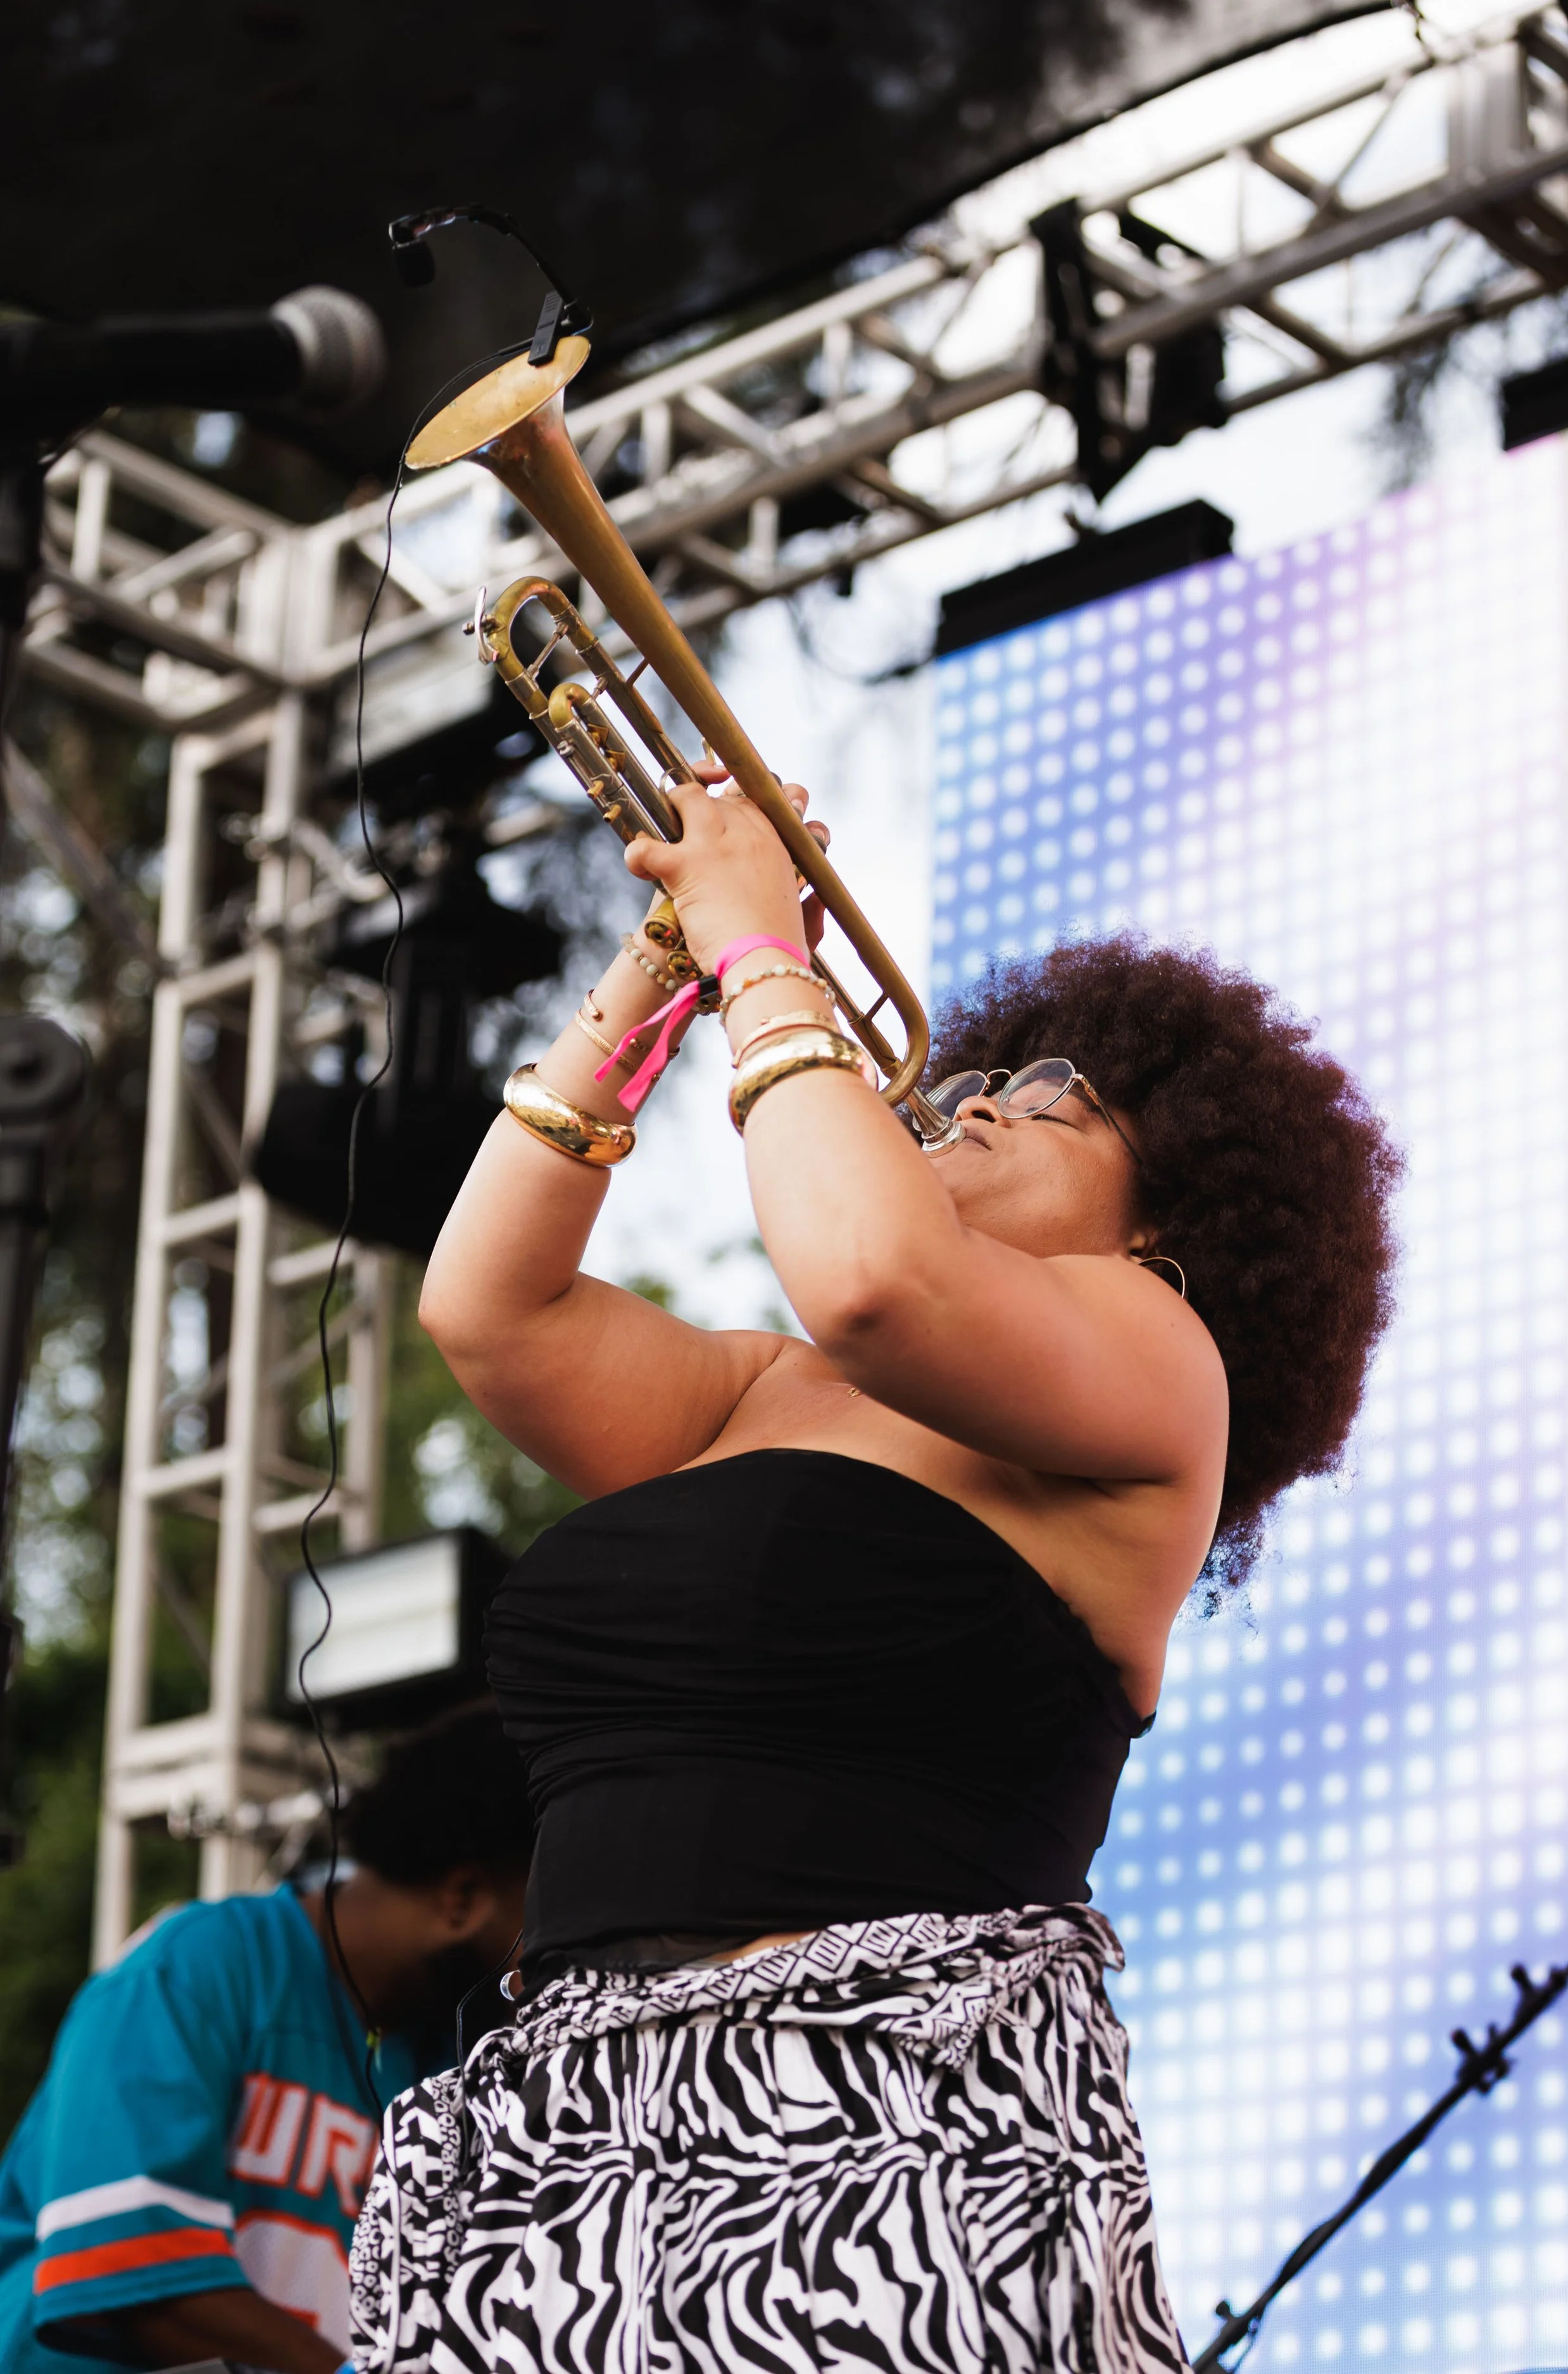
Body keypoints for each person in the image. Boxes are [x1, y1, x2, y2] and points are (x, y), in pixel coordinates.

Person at [356, 774, 1399, 2374]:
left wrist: (761, 943)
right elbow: (489, 1305)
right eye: (975, 1073)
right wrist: (655, 965)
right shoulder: (765, 1388)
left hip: (889, 2136)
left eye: (1056, 1094)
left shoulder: (1160, 1365)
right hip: (570, 2148)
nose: (977, 1097)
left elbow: (873, 1274)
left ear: (1172, 1222)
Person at [0, 1702, 532, 2374]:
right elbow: (137, 2279)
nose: (549, 1966)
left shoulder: (455, 2068)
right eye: (540, 1925)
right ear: (462, 1898)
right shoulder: (197, 1966)